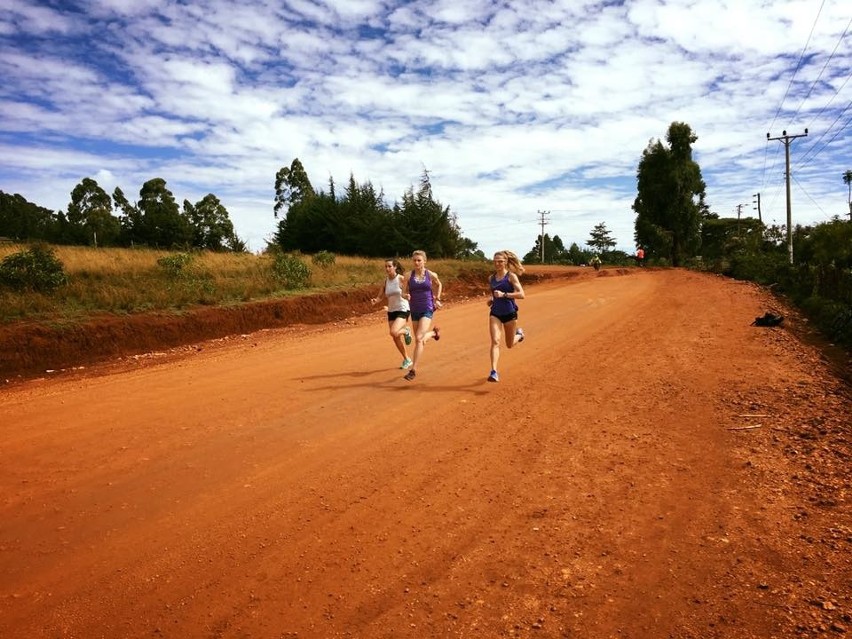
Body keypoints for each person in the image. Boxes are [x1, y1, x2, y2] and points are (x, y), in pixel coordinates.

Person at [400, 250, 443, 381]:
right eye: (414, 260)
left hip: (427, 308)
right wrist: (405, 295)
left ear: (425, 261)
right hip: (414, 309)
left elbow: (439, 284)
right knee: (420, 340)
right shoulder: (408, 276)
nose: (417, 262)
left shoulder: (430, 274)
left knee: (418, 338)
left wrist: (438, 298)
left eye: (419, 260)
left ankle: (413, 370)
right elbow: (403, 292)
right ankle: (434, 334)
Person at [487, 250, 525, 383]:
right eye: (495, 261)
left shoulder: (511, 277)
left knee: (509, 344)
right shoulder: (491, 278)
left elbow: (521, 294)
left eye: (501, 261)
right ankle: (494, 371)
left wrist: (504, 295)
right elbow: (493, 294)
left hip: (509, 313)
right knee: (495, 341)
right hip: (495, 313)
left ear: (506, 262)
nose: (497, 264)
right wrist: (492, 299)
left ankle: (519, 335)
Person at [371, 258, 413, 369]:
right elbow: (381, 296)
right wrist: (376, 301)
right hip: (391, 311)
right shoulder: (385, 281)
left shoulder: (400, 278)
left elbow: (410, 289)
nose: (387, 268)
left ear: (395, 267)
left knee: (394, 332)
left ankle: (406, 331)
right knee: (395, 337)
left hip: (403, 308)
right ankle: (407, 359)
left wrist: (409, 295)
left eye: (389, 266)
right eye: (386, 266)